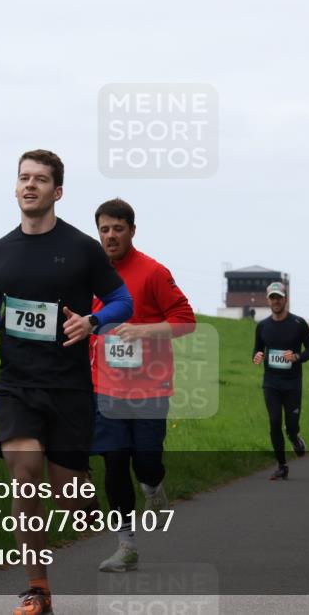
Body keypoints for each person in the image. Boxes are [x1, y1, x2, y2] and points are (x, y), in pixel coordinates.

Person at [0, 150, 134, 615]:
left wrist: (93, 322)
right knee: (23, 474)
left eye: (40, 180)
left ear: (57, 191)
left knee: (70, 499)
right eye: (23, 178)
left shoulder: (82, 248)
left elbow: (120, 300)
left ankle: (89, 501)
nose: (30, 186)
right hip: (16, 384)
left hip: (68, 387)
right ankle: (37, 590)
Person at [88, 198, 195, 573]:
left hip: (150, 387)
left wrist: (143, 331)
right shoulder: (89, 273)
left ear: (132, 230)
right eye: (104, 229)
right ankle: (126, 545)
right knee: (114, 462)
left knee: (146, 461)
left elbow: (186, 321)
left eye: (118, 228)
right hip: (105, 387)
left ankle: (153, 486)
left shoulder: (153, 272)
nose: (111, 235)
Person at [253, 282, 309, 479]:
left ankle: (294, 437)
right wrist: (256, 356)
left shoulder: (298, 324)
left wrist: (297, 357)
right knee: (274, 421)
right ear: (268, 300)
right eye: (272, 298)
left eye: (279, 297)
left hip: (292, 383)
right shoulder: (262, 326)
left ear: (285, 299)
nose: (276, 301)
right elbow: (257, 349)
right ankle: (282, 465)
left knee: (291, 425)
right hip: (271, 382)